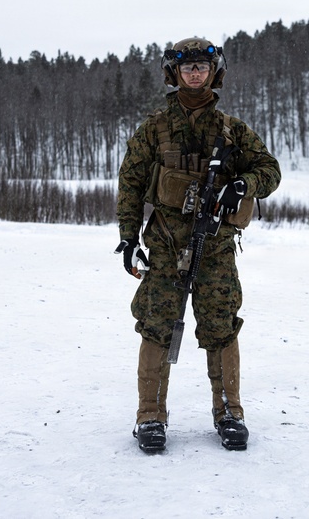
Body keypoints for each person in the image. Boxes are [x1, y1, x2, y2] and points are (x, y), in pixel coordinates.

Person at [115, 37, 281, 453]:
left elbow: (270, 170)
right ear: (175, 73)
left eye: (201, 67)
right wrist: (128, 238)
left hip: (216, 249)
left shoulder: (231, 130)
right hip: (166, 247)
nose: (194, 73)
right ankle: (150, 416)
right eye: (186, 67)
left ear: (213, 72)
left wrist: (244, 183)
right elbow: (131, 184)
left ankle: (229, 412)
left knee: (221, 329)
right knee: (156, 327)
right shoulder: (154, 128)